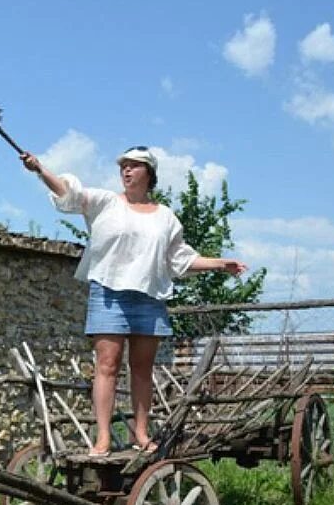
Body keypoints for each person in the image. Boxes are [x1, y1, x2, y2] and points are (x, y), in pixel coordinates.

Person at [20, 146, 247, 456]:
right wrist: (40, 169)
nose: (126, 171)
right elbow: (69, 194)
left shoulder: (165, 217)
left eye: (133, 166)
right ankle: (102, 437)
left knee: (142, 369)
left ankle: (140, 433)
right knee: (107, 365)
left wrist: (221, 264)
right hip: (108, 294)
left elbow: (180, 259)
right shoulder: (104, 203)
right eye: (123, 166)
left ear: (148, 174)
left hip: (149, 298)